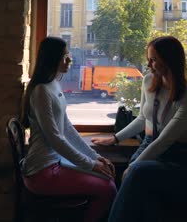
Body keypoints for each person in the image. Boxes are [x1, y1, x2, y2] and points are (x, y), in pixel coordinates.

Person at [92, 35, 187, 222]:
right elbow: (142, 118)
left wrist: (133, 166)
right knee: (146, 199)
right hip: (147, 148)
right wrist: (116, 138)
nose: (148, 64)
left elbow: (165, 140)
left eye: (153, 59)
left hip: (176, 161)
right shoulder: (148, 81)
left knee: (137, 175)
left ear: (169, 60)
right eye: (148, 58)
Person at [21, 36, 117, 222]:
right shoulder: (41, 91)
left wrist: (94, 157)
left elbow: (67, 128)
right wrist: (91, 164)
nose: (69, 60)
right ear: (51, 59)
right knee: (108, 188)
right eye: (64, 56)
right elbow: (55, 139)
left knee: (108, 181)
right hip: (41, 171)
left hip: (53, 164)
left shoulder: (53, 85)